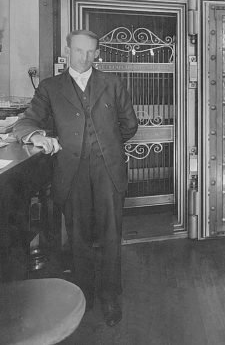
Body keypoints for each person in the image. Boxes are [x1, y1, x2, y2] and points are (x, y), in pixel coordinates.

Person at [13, 30, 138, 326]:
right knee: (78, 236)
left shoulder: (112, 83)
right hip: (71, 170)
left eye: (90, 51)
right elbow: (26, 121)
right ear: (68, 50)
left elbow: (129, 125)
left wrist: (106, 145)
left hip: (109, 170)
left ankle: (110, 297)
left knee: (111, 235)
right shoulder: (50, 87)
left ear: (97, 53)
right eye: (79, 50)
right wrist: (36, 136)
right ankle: (84, 295)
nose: (84, 57)